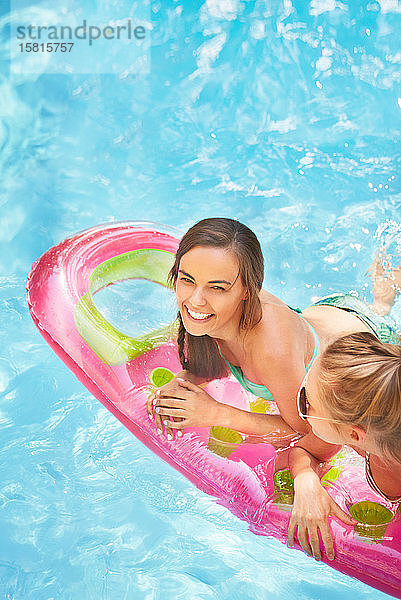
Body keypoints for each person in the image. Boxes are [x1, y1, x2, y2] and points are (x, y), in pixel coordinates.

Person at [146, 217, 400, 448]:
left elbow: (307, 431)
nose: (196, 300)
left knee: (382, 322)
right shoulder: (207, 313)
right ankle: (381, 302)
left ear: (247, 290)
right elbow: (213, 364)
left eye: (217, 288)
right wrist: (181, 384)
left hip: (362, 338)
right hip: (323, 317)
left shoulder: (272, 351)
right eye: (187, 280)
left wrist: (216, 412)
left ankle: (382, 304)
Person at [287, 331, 401, 562]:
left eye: (307, 402)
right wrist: (306, 479)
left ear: (353, 434)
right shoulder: (369, 428)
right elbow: (304, 450)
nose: (301, 406)